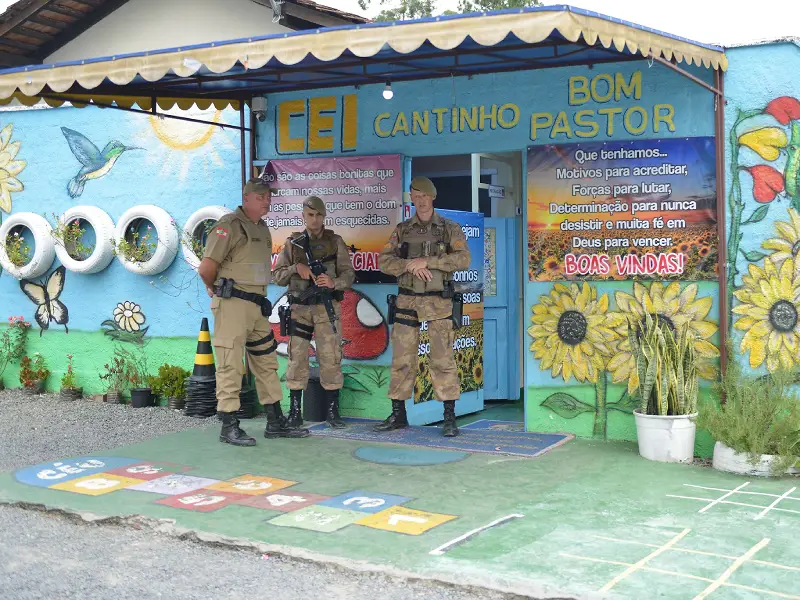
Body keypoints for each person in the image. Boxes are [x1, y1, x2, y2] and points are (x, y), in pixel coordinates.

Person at [198, 177, 309, 447]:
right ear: (246, 198)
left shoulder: (262, 228)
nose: (267, 201)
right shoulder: (229, 227)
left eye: (268, 196)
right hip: (233, 305)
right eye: (261, 197)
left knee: (266, 363)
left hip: (257, 305)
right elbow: (206, 268)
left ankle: (274, 420)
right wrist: (214, 288)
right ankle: (229, 425)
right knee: (230, 365)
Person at [375, 176, 470, 437]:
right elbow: (384, 261)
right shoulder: (403, 230)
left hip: (438, 301)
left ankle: (449, 417)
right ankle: (398, 414)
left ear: (432, 197)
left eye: (424, 196)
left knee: (442, 359)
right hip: (407, 300)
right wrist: (410, 264)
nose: (420, 201)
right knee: (402, 359)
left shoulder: (448, 228)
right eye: (415, 196)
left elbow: (463, 259)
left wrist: (428, 261)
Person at [273, 195, 355, 429]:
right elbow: (277, 276)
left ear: (324, 216)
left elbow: (349, 275)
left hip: (327, 308)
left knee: (330, 357)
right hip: (300, 308)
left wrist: (333, 283)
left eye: (319, 215)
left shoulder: (335, 241)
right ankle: (296, 412)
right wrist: (295, 268)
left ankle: (332, 411)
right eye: (310, 215)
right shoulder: (293, 244)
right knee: (297, 358)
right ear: (303, 216)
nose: (315, 219)